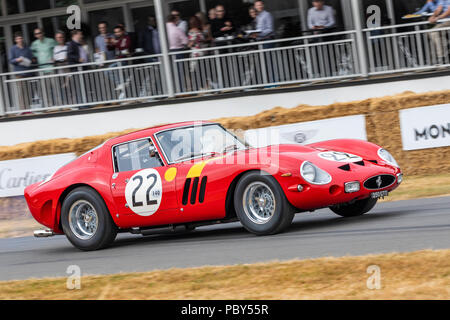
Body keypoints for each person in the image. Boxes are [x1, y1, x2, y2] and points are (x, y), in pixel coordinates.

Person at [9, 32, 34, 111]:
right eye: (18, 39)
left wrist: (29, 61)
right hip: (19, 73)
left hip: (27, 72)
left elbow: (31, 59)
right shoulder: (13, 49)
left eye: (21, 38)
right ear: (15, 40)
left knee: (28, 91)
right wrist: (18, 59)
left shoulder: (27, 48)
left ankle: (28, 109)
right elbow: (11, 61)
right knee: (21, 92)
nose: (20, 40)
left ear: (22, 39)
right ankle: (23, 109)